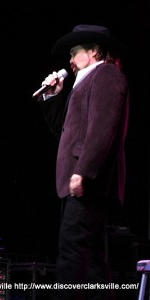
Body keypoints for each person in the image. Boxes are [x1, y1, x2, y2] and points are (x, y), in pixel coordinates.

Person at [36, 25, 129, 299]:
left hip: (88, 179)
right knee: (93, 259)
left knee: (73, 252)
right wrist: (53, 96)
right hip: (80, 178)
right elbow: (65, 132)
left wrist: (83, 171)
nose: (70, 60)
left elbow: (104, 127)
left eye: (75, 53)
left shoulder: (106, 74)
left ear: (94, 52)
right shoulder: (85, 82)